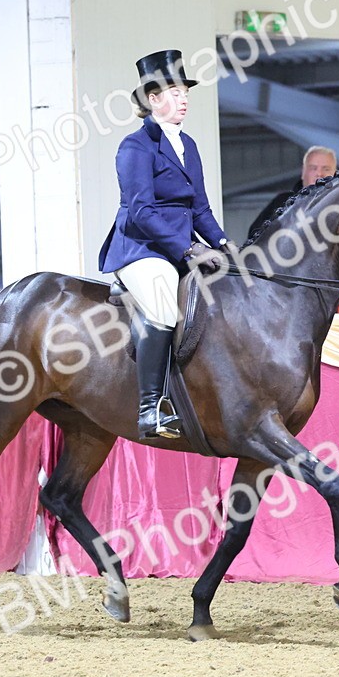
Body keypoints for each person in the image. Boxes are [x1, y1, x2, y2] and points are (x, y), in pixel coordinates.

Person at [98, 49, 231, 439]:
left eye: (185, 92)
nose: (184, 99)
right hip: (142, 248)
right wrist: (189, 250)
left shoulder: (188, 144)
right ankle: (150, 408)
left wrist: (224, 245)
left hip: (181, 244)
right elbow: (142, 212)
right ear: (153, 99)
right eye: (174, 92)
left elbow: (200, 208)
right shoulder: (134, 148)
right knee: (163, 310)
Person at [246, 146, 337, 241]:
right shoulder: (281, 203)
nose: (319, 174)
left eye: (326, 169)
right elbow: (254, 238)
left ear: (335, 174)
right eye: (313, 168)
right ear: (303, 172)